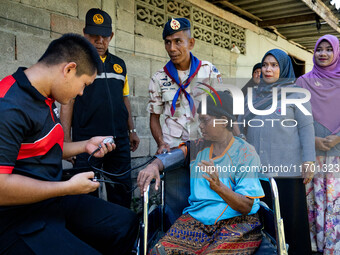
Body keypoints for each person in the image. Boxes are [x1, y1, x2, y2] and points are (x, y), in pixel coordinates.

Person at [0, 34, 138, 255]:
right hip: (18, 218)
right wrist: (67, 187)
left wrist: (85, 146)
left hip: (51, 200)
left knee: (125, 223)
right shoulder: (8, 106)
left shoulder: (42, 95)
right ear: (69, 70)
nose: (81, 92)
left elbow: (41, 149)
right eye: (84, 84)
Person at [139, 91, 265, 254]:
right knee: (159, 252)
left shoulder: (245, 152)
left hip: (237, 222)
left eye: (205, 120)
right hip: (196, 220)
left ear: (224, 120)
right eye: (200, 121)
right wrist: (154, 165)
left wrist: (219, 187)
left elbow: (247, 205)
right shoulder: (196, 147)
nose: (200, 126)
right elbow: (170, 157)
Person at [60, 8, 140, 208]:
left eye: (104, 36)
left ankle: (122, 233)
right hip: (86, 141)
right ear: (85, 35)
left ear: (111, 36)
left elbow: (124, 99)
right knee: (86, 195)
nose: (99, 41)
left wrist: (132, 130)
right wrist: (66, 141)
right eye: (94, 36)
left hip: (119, 140)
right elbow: (67, 102)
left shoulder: (119, 65)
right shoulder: (75, 65)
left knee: (121, 192)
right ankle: (90, 236)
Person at [239, 49, 315, 255]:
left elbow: (306, 128)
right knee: (262, 218)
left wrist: (308, 161)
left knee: (289, 218)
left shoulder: (296, 93)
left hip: (287, 169)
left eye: (274, 65)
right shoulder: (253, 95)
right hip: (258, 169)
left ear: (283, 68)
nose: (268, 69)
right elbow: (240, 123)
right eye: (265, 65)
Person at [148, 17, 222, 154]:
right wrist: (161, 143)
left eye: (178, 42)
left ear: (191, 43)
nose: (172, 48)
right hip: (173, 149)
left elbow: (222, 109)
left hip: (205, 147)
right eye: (168, 43)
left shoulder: (209, 71)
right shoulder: (158, 78)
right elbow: (154, 117)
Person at [296, 34, 340, 254]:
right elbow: (292, 118)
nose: (323, 53)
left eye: (328, 49)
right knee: (313, 201)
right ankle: (315, 246)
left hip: (338, 153)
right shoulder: (302, 82)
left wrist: (337, 137)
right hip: (311, 154)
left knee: (335, 201)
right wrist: (313, 140)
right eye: (319, 49)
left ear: (336, 52)